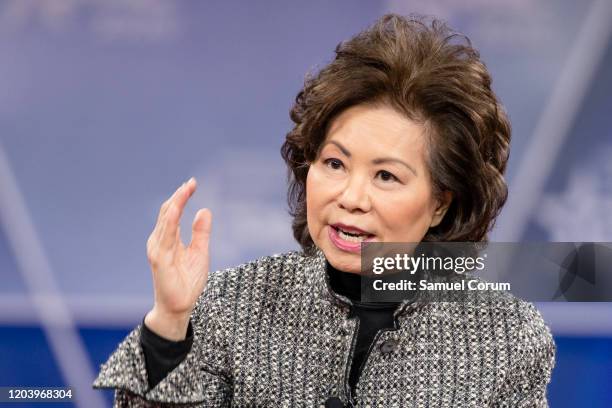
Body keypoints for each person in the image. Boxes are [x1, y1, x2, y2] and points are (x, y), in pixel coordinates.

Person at [93, 14, 556, 407]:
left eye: (386, 176)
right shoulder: (233, 304)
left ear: (440, 202)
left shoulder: (506, 338)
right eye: (334, 163)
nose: (351, 197)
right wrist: (170, 325)